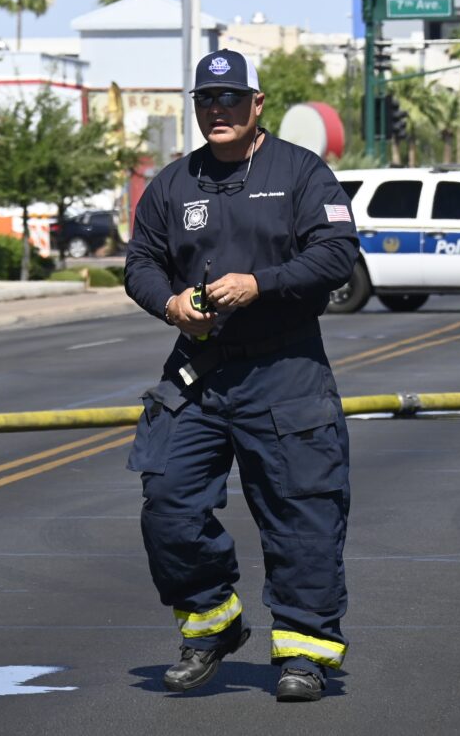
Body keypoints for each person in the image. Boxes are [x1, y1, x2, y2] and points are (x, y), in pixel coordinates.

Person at [124, 48, 359, 702]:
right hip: (198, 371)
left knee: (302, 512)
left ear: (257, 103)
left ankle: (305, 652)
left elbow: (337, 253)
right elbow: (140, 263)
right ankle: (211, 625)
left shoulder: (301, 172)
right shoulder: (173, 184)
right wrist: (170, 303)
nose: (217, 109)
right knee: (168, 503)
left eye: (230, 98)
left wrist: (262, 284)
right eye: (206, 99)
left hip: (286, 370)